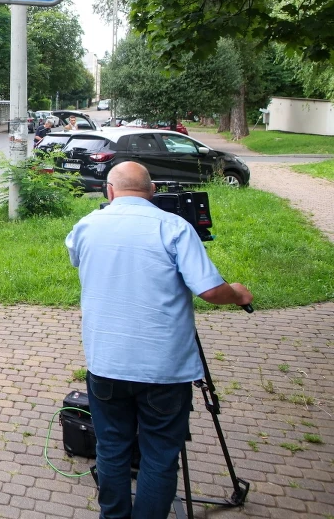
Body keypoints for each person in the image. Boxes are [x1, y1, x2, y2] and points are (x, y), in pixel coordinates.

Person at [65, 162, 252, 519]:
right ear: (152, 193)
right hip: (165, 369)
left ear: (110, 191)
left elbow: (78, 258)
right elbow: (211, 291)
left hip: (107, 363)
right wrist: (240, 294)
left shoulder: (86, 226)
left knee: (112, 449)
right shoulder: (175, 227)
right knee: (160, 455)